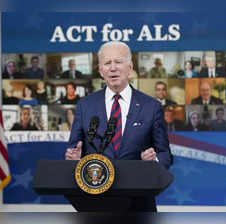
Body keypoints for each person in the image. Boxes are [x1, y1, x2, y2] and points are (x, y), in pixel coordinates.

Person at [65, 41, 173, 212]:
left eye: (118, 62)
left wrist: (153, 163)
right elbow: (73, 149)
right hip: (95, 204)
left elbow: (165, 154)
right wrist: (73, 159)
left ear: (130, 67)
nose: (113, 68)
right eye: (107, 63)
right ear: (101, 71)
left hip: (139, 204)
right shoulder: (85, 106)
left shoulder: (151, 107)